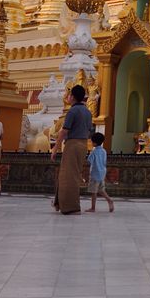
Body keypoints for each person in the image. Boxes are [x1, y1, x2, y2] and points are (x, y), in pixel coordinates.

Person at [50, 84, 93, 214]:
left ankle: (71, 206)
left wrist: (55, 148)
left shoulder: (73, 111)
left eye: (69, 94)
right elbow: (90, 130)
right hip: (83, 144)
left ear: (72, 97)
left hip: (73, 144)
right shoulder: (87, 112)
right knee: (69, 173)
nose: (67, 97)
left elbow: (63, 131)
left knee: (69, 176)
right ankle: (59, 203)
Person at [85, 132, 114, 213]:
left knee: (94, 192)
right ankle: (109, 200)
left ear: (94, 142)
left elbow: (89, 160)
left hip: (95, 173)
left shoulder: (94, 152)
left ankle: (93, 208)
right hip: (102, 173)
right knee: (101, 189)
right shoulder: (104, 151)